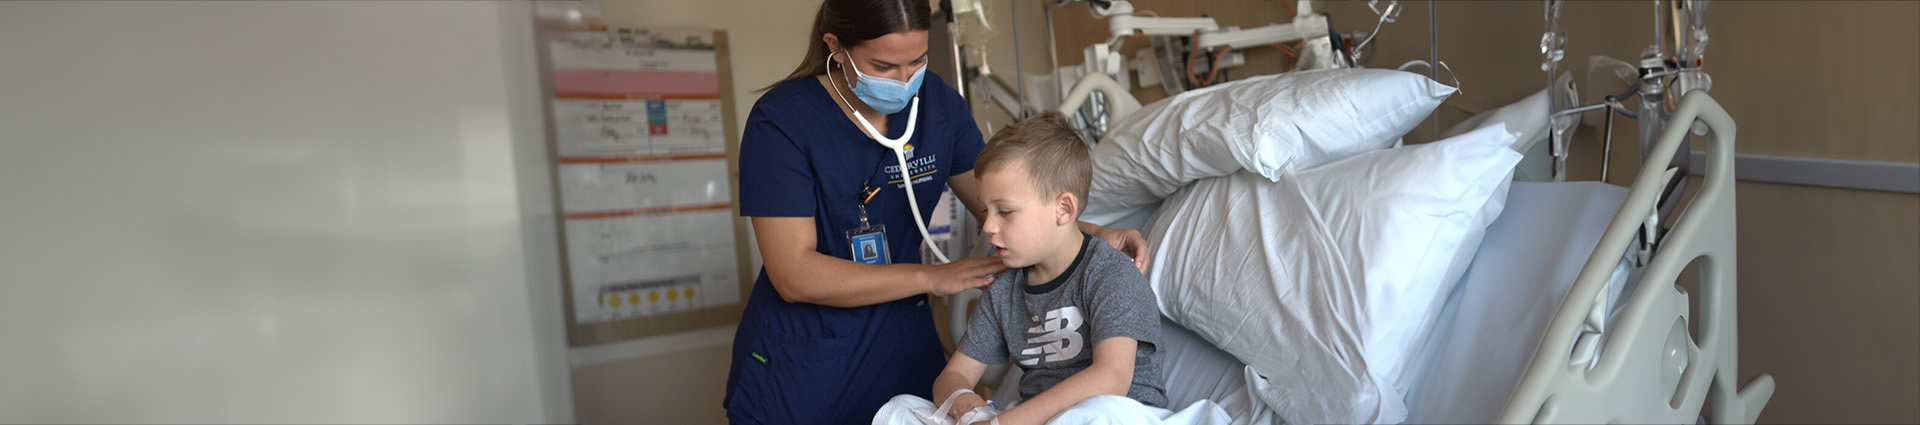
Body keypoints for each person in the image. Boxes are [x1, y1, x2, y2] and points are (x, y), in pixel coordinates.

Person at [725, 1, 1150, 423]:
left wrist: (1088, 232)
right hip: (804, 365)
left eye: (917, 61)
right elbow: (792, 274)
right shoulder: (782, 121)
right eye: (884, 66)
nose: (905, 80)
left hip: (901, 347)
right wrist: (934, 277)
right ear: (835, 46)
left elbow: (1008, 200)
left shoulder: (936, 106)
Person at [871, 111, 1172, 425]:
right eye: (986, 210)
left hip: (1119, 414)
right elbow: (953, 376)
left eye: (1005, 211)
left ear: (1064, 209)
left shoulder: (1109, 274)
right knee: (900, 409)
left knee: (1098, 413)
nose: (987, 225)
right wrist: (972, 412)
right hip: (1032, 419)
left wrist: (1005, 423)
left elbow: (1110, 379)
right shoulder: (1004, 287)